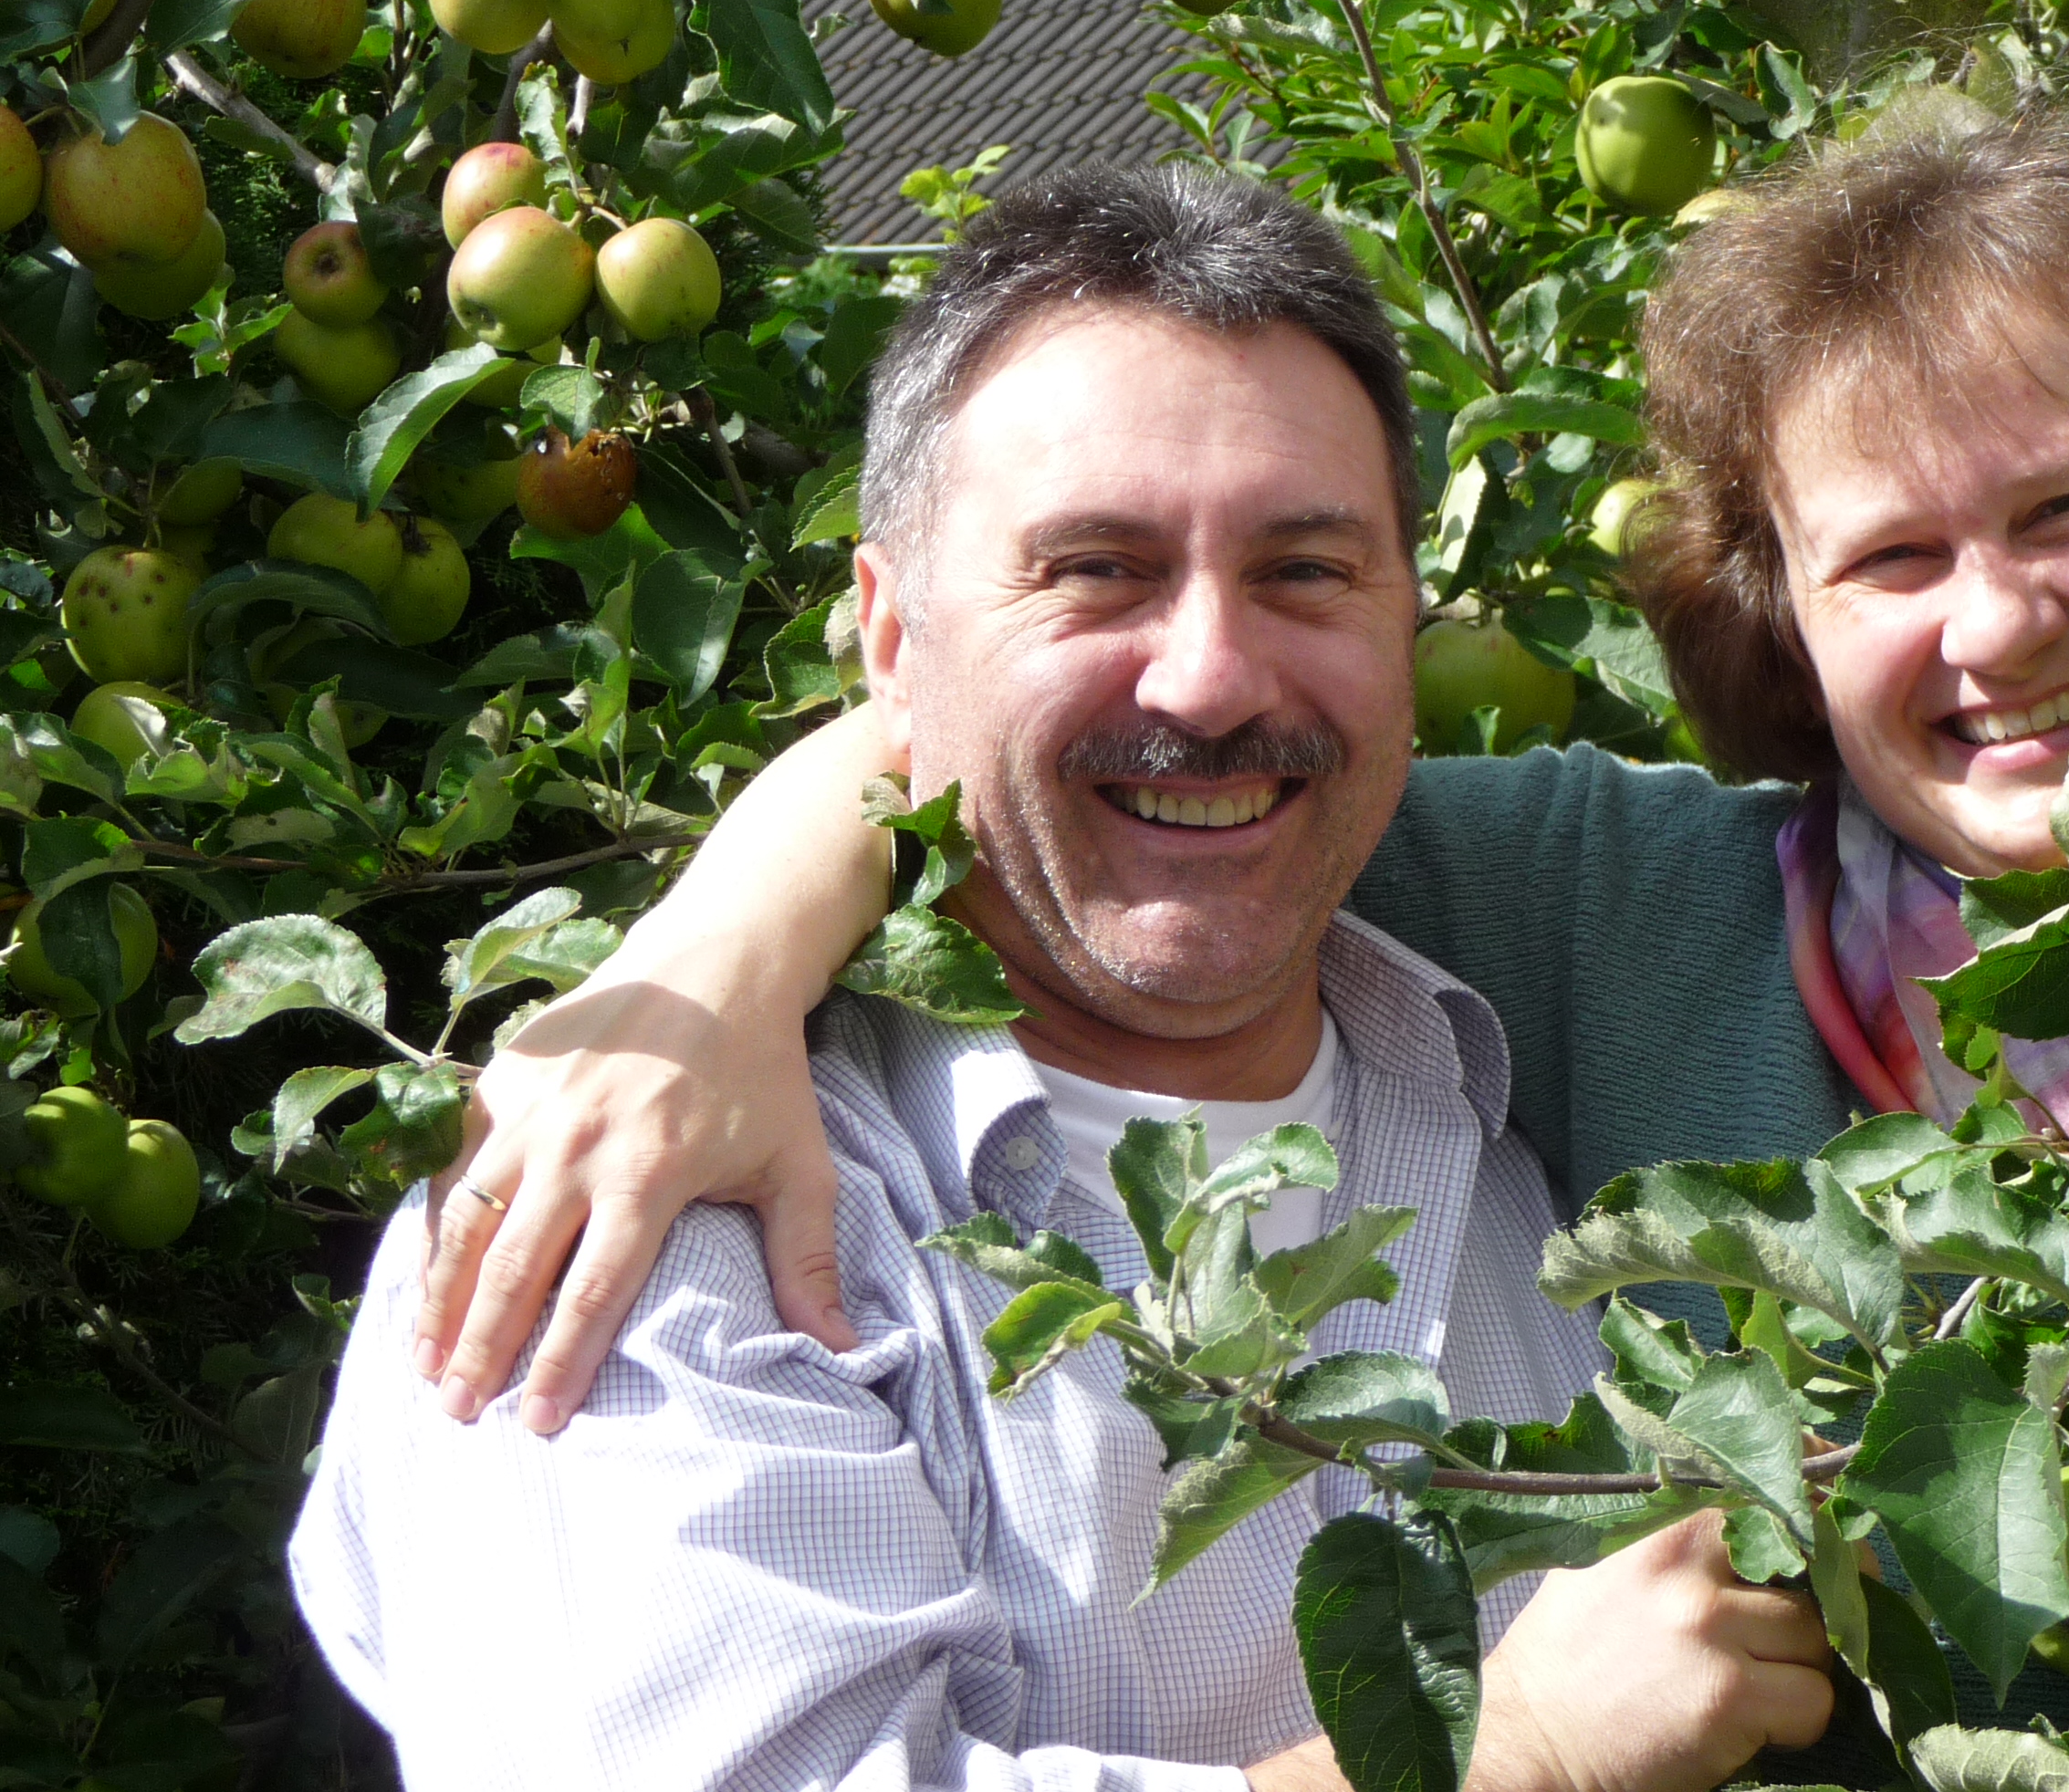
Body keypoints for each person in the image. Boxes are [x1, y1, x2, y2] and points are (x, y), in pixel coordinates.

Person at [408, 106, 2069, 1772]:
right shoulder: (1626, 905)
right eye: (1890, 559)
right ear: (1786, 621)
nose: (2000, 622)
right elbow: (1109, 770)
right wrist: (706, 966)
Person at [290, 166, 1839, 1790]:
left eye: (1308, 572)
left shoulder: (1526, 1044)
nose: (1211, 680)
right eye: (1096, 568)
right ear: (890, 640)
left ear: (1409, 618)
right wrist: (1515, 1751)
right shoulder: (641, 1214)